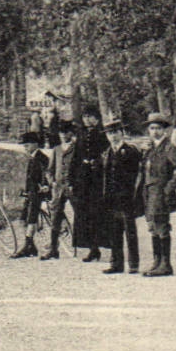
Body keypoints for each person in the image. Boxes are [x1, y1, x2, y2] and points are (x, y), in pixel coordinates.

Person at [139, 113, 176, 277]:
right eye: (152, 128)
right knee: (152, 226)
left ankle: (166, 264)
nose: (155, 132)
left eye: (158, 128)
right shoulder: (150, 148)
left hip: (160, 192)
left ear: (165, 130)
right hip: (149, 191)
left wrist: (169, 188)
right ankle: (157, 261)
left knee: (161, 226)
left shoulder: (169, 148)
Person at [100, 118, 144, 273]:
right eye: (109, 133)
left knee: (130, 232)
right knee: (114, 232)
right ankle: (116, 263)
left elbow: (137, 175)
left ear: (122, 133)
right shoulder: (107, 153)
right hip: (111, 199)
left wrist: (133, 194)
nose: (113, 136)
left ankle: (133, 264)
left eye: (115, 132)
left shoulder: (131, 151)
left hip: (126, 198)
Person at [71, 105, 110, 262]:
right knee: (84, 213)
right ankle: (92, 248)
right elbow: (75, 157)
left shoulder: (103, 134)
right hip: (83, 179)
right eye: (84, 117)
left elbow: (108, 154)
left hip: (97, 179)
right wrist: (72, 179)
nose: (87, 120)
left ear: (97, 118)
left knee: (97, 213)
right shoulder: (81, 135)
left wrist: (97, 162)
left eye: (90, 116)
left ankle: (102, 245)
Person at [40, 120, 75, 260]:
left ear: (71, 133)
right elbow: (49, 170)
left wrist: (76, 183)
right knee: (55, 218)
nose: (63, 135)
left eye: (66, 132)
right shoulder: (57, 149)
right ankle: (54, 249)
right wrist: (52, 182)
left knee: (81, 215)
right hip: (58, 189)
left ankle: (91, 249)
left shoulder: (77, 148)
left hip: (73, 188)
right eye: (61, 133)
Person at [11, 131, 49, 258]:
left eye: (27, 145)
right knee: (23, 219)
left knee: (31, 217)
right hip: (31, 192)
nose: (25, 148)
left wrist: (44, 185)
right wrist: (26, 190)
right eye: (24, 145)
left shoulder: (42, 158)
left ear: (35, 144)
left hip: (38, 192)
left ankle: (28, 246)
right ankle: (30, 245)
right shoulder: (33, 157)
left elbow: (45, 174)